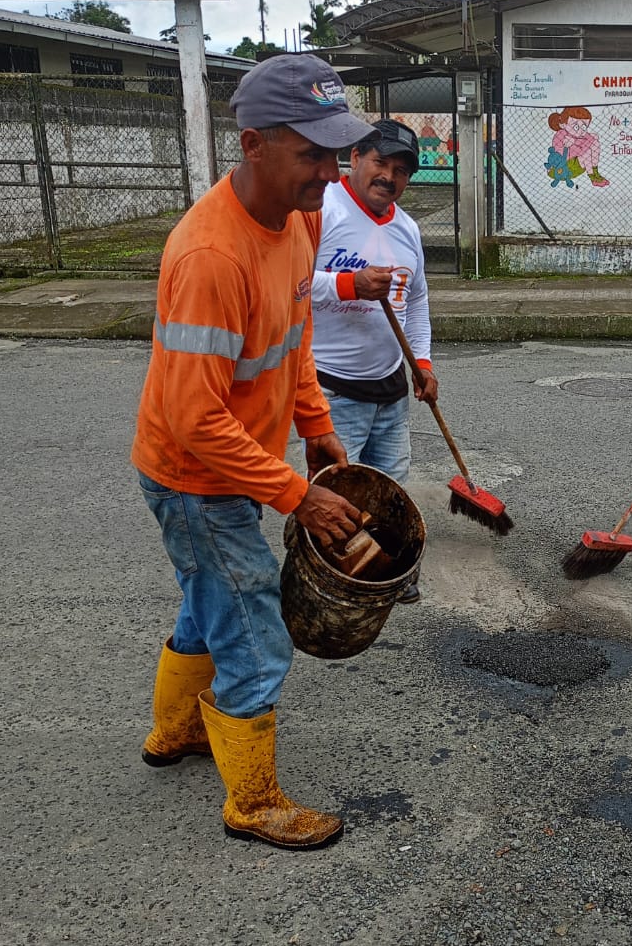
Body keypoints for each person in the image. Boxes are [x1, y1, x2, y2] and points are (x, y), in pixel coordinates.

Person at [132, 52, 371, 849]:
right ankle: (254, 801)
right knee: (252, 627)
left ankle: (176, 731)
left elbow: (293, 337)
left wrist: (317, 425)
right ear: (252, 144)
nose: (331, 173)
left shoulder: (299, 220)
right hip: (194, 478)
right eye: (312, 154)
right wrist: (297, 494)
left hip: (230, 465)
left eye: (336, 152)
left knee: (210, 602)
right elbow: (194, 419)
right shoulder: (212, 257)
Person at [309, 117, 437, 603]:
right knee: (336, 495)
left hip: (390, 387)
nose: (389, 177)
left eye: (401, 170)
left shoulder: (407, 228)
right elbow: (288, 282)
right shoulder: (322, 210)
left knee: (390, 491)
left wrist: (422, 363)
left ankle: (384, 574)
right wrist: (350, 284)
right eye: (381, 162)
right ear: (355, 157)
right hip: (333, 388)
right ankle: (329, 581)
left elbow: (416, 301)